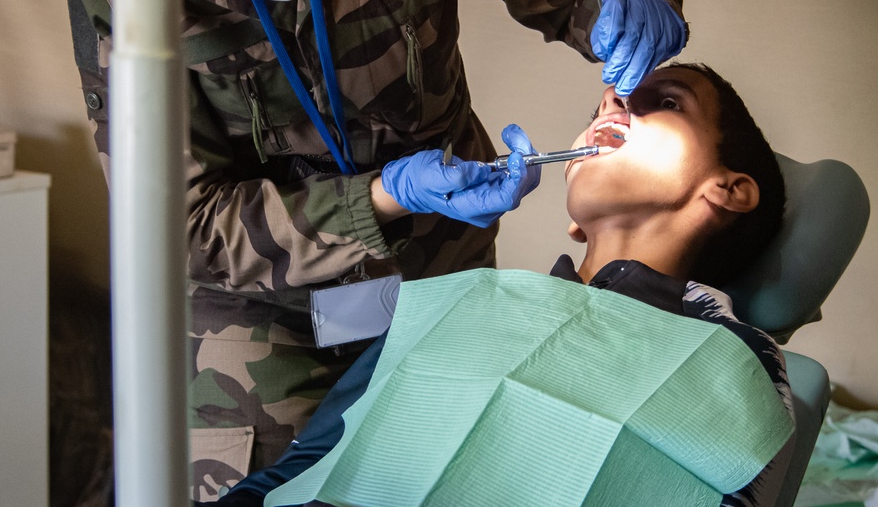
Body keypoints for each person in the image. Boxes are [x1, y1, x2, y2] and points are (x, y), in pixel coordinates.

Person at [57, 0, 688, 499]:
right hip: (268, 302)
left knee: (440, 467)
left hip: (430, 265)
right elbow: (188, 223)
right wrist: (387, 195)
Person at [213, 63, 794, 507]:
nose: (612, 102)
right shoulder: (445, 297)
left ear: (730, 189)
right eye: (603, 100)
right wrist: (384, 199)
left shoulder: (732, 357)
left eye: (666, 102)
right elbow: (306, 457)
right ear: (573, 216)